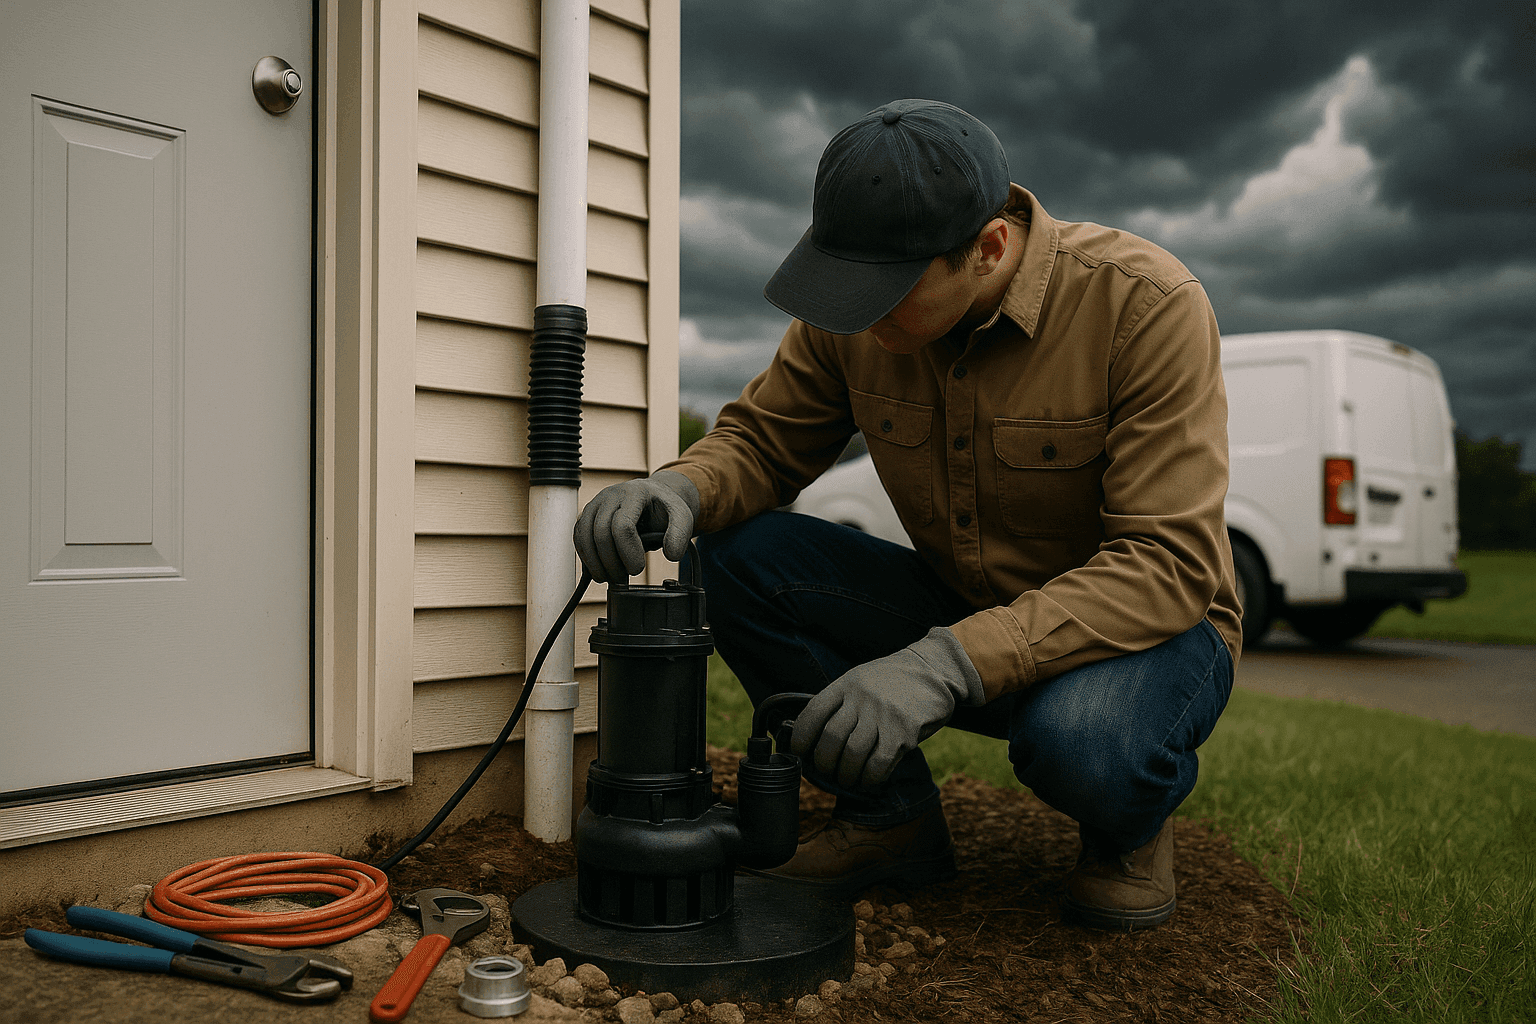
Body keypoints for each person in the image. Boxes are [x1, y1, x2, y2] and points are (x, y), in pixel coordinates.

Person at [574, 98, 1243, 931]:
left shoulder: (1145, 307)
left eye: (885, 294)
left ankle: (1126, 832)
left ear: (988, 248)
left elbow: (1166, 565)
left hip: (1145, 635)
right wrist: (679, 488)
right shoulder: (856, 317)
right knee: (743, 553)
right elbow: (763, 442)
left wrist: (943, 665)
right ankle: (890, 820)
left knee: (1083, 744)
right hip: (965, 606)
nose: (858, 314)